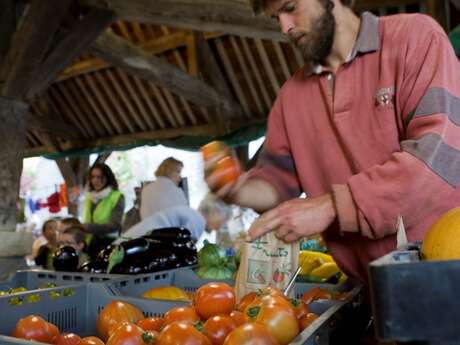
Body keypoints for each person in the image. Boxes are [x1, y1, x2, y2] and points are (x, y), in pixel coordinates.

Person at [205, 0, 460, 282]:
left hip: (448, 278)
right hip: (371, 289)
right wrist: (237, 190)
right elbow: (276, 184)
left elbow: (437, 159)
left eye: (290, 7)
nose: (285, 27)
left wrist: (331, 206)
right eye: (275, 17)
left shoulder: (416, 38)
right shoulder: (291, 98)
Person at [118, 194, 231, 243]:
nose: (219, 227)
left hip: (126, 242)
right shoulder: (198, 220)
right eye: (224, 220)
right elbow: (186, 253)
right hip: (129, 248)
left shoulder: (190, 213)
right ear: (216, 212)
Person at [82, 163, 125, 259]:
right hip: (91, 244)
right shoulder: (90, 197)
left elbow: (115, 225)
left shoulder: (117, 196)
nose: (95, 180)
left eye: (99, 177)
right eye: (92, 177)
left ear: (108, 177)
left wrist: (88, 227)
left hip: (109, 245)